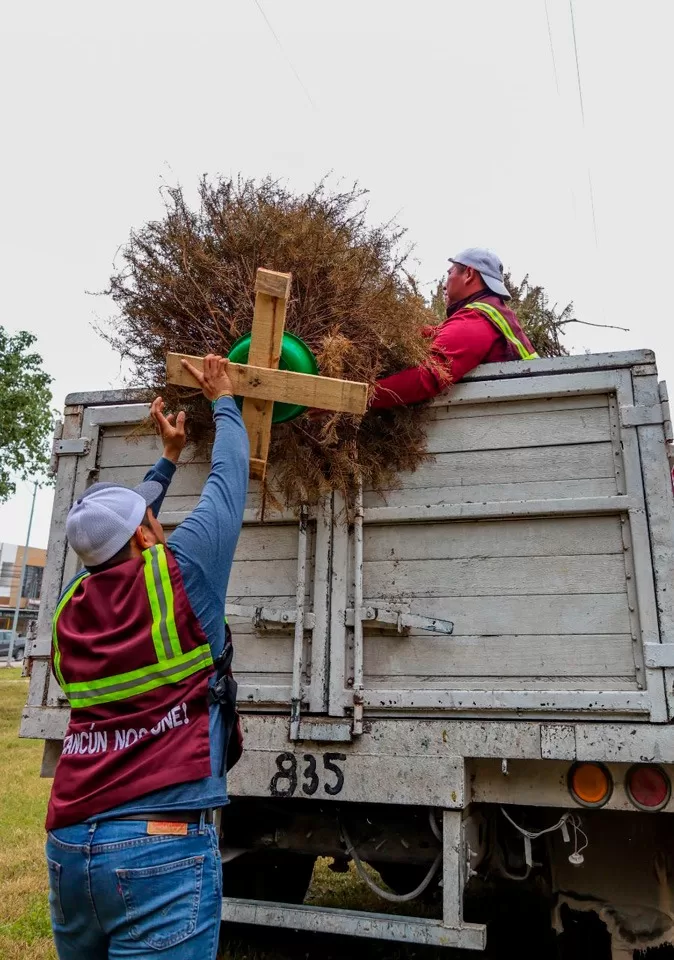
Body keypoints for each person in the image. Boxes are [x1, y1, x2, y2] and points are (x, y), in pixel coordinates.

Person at [45, 355, 249, 960]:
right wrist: (227, 400)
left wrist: (167, 459)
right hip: (157, 847)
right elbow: (230, 482)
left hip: (70, 844)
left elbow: (111, 532)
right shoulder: (181, 575)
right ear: (142, 535)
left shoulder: (67, 612)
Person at [370, 248, 538, 409]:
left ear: (469, 274)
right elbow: (440, 333)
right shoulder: (490, 313)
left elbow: (428, 377)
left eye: (450, 273)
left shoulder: (476, 320)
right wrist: (396, 330)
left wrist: (364, 394)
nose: (444, 285)